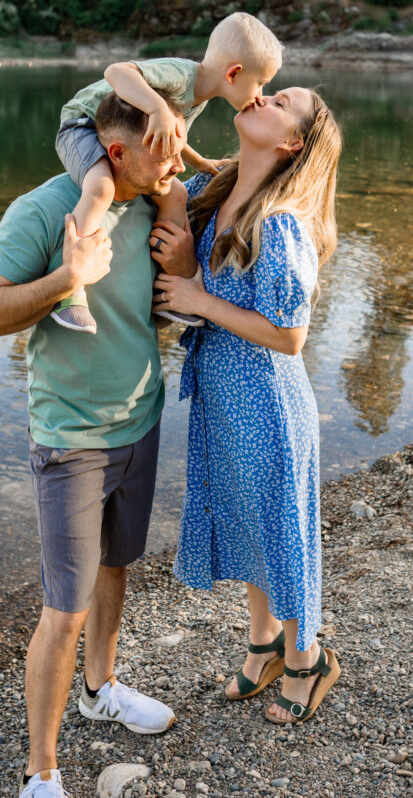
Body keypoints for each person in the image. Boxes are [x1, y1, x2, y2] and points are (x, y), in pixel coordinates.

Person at [0, 91, 193, 798]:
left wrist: (182, 254)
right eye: (163, 153)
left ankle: (101, 689)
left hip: (141, 420)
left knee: (116, 567)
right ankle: (40, 771)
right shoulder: (44, 212)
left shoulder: (157, 200)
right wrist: (69, 278)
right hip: (71, 438)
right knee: (62, 609)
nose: (176, 164)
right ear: (115, 151)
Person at [153, 87, 343, 725]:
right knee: (246, 524)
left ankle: (308, 659)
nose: (264, 94)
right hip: (224, 395)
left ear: (292, 143)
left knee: (280, 533)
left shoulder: (280, 219)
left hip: (267, 402)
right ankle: (263, 647)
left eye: (282, 100)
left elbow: (289, 336)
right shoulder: (227, 192)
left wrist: (198, 300)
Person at [53, 12, 283, 333]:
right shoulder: (181, 76)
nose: (260, 95)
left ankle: (167, 289)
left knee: (176, 193)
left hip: (123, 137)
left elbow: (172, 137)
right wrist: (157, 107)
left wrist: (199, 162)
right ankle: (71, 286)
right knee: (101, 187)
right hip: (84, 125)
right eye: (260, 84)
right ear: (233, 73)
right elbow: (117, 71)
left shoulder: (198, 98)